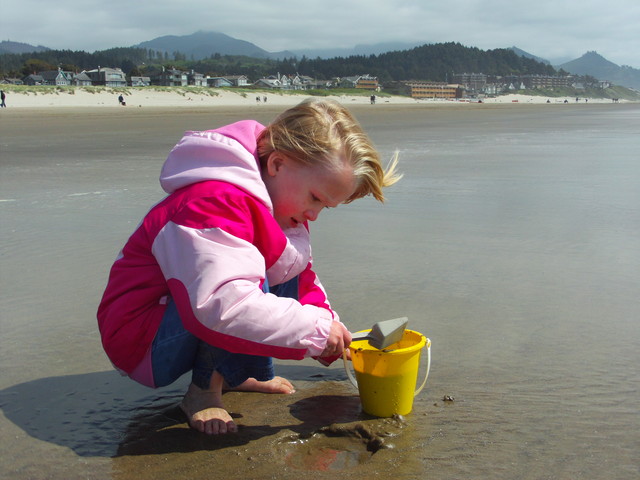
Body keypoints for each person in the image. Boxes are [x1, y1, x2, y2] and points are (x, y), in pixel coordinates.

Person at [97, 98, 401, 435]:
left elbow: (299, 279)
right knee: (242, 290)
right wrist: (312, 331)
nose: (314, 214)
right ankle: (204, 392)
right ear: (277, 164)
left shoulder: (281, 205)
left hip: (182, 316)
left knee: (277, 270)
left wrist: (331, 331)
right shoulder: (212, 201)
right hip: (142, 338)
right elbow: (222, 305)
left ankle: (236, 372)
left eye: (326, 207)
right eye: (315, 198)